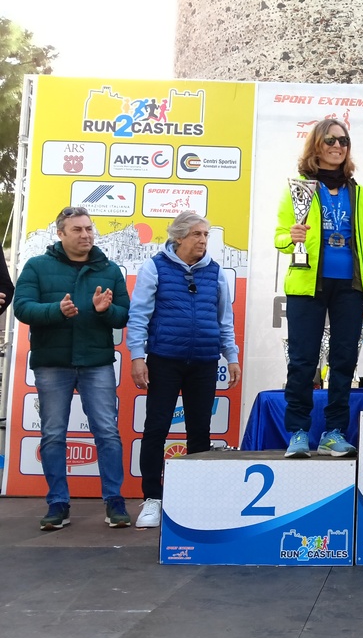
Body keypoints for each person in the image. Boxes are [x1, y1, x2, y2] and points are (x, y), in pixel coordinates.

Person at [13, 206, 131, 530]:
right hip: (53, 364)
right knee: (53, 434)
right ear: (60, 234)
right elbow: (22, 307)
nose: (86, 235)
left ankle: (115, 501)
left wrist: (105, 311)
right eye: (77, 229)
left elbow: (124, 314)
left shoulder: (109, 269)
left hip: (96, 363)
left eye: (89, 229)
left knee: (107, 432)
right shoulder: (37, 266)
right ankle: (58, 503)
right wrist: (57, 310)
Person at [276, 119, 363, 459]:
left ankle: (334, 432)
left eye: (344, 141)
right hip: (307, 284)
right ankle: (298, 432)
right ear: (316, 145)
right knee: (303, 361)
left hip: (349, 286)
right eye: (331, 140)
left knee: (344, 360)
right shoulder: (299, 187)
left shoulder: (358, 192)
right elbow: (280, 235)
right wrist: (290, 237)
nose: (338, 146)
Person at [127, 212, 241, 528]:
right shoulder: (155, 267)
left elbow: (224, 319)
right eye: (196, 234)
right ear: (178, 237)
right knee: (156, 428)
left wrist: (231, 356)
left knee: (199, 431)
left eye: (206, 235)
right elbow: (139, 316)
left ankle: (195, 498)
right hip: (164, 359)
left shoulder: (216, 272)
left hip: (204, 361)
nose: (203, 241)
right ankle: (153, 498)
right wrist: (137, 357)